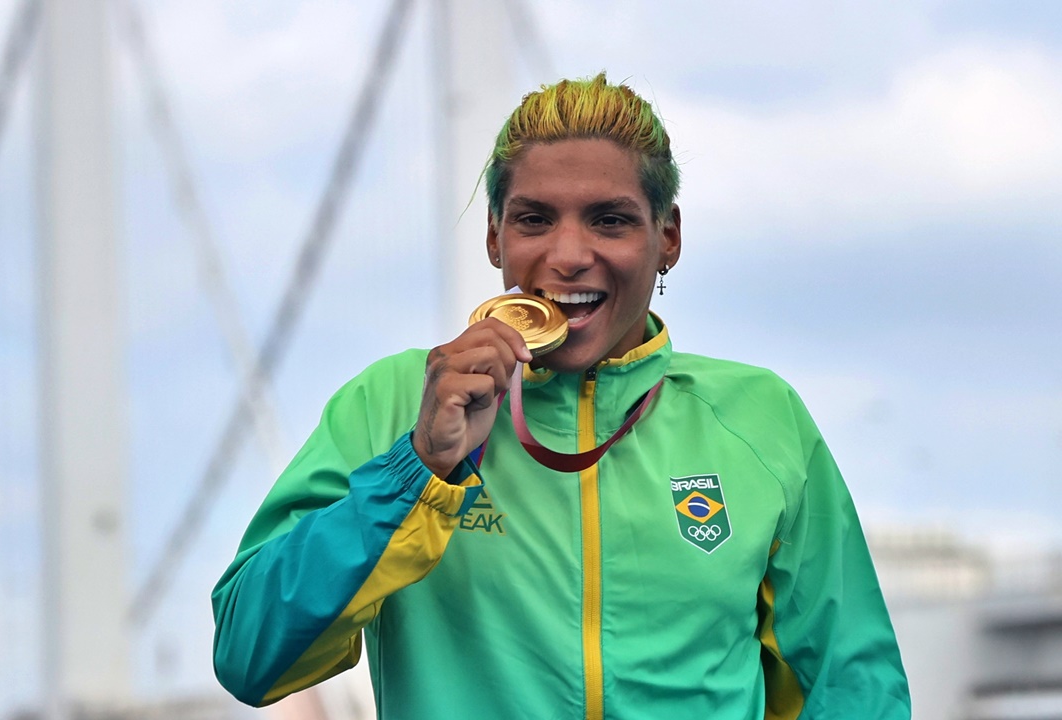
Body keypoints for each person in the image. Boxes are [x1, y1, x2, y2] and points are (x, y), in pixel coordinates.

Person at [212, 73, 910, 719]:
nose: (569, 255)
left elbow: (852, 686)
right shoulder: (396, 402)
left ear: (667, 239)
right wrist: (419, 467)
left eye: (610, 220)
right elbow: (250, 656)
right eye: (535, 219)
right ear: (495, 237)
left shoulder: (760, 418)